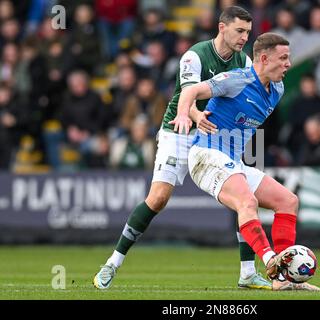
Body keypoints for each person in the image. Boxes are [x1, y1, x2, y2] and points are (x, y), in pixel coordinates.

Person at [94, 6, 272, 291]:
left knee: (244, 197)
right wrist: (194, 115)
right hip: (179, 130)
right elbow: (186, 96)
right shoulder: (195, 55)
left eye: (248, 33)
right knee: (158, 199)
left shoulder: (244, 61)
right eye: (239, 31)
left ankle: (248, 273)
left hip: (217, 135)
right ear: (222, 28)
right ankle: (112, 263)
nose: (244, 38)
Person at [171, 32, 320, 291]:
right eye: (283, 58)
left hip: (232, 161)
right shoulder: (237, 80)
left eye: (289, 58)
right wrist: (186, 114)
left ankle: (282, 277)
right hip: (206, 155)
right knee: (247, 202)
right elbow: (192, 90)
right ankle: (269, 259)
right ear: (263, 58)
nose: (288, 64)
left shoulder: (278, 89)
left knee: (288, 201)